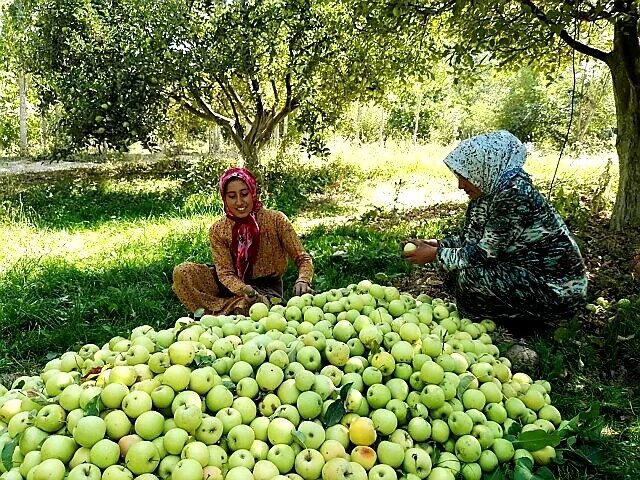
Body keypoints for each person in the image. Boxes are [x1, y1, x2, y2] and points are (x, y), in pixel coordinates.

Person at [403, 130, 587, 332]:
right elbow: (472, 238)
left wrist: (436, 254)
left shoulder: (514, 196)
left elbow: (483, 254)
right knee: (453, 264)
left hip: (554, 290)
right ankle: (499, 316)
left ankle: (530, 325)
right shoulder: (488, 193)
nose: (460, 185)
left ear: (482, 168)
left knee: (471, 275)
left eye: (465, 176)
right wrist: (440, 245)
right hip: (521, 271)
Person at [173, 167, 314, 315]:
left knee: (254, 305)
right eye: (232, 196)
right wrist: (242, 289)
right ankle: (229, 307)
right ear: (224, 198)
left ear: (253, 193)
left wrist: (303, 280)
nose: (239, 202)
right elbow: (225, 274)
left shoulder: (276, 220)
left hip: (265, 289)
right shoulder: (219, 229)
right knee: (183, 272)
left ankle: (221, 310)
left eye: (244, 194)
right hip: (229, 285)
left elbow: (302, 258)